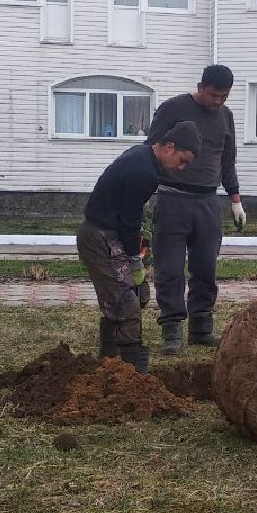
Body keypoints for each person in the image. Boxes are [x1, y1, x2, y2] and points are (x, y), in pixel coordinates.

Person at [78, 121, 200, 372]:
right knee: (126, 303)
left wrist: (137, 258)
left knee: (139, 294)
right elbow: (129, 220)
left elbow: (128, 218)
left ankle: (109, 361)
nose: (181, 168)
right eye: (182, 160)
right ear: (169, 147)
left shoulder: (142, 156)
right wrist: (135, 260)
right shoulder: (144, 172)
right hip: (99, 239)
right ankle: (130, 373)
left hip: (112, 236)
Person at [145, 64, 247, 355]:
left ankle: (201, 328)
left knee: (205, 267)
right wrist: (144, 191)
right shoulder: (172, 109)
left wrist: (235, 199)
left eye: (224, 96)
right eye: (213, 95)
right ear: (201, 87)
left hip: (208, 203)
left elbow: (228, 161)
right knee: (170, 267)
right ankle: (171, 330)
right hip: (172, 199)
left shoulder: (226, 117)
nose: (217, 102)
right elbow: (150, 149)